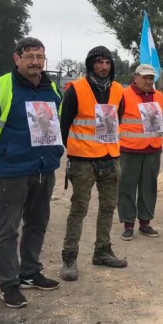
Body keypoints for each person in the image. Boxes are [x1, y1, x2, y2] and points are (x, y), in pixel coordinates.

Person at [0, 37, 64, 308]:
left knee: (37, 223)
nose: (35, 62)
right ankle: (9, 284)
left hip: (43, 169)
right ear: (17, 59)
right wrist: (0, 158)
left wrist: (53, 155)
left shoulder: (52, 90)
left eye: (40, 56)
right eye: (29, 56)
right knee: (8, 228)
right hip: (12, 171)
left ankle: (30, 272)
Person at [59, 45, 128, 282]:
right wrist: (74, 151)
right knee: (79, 208)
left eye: (107, 62)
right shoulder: (75, 89)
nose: (104, 67)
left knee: (108, 206)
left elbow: (118, 120)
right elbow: (64, 124)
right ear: (90, 65)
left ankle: (102, 250)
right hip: (82, 160)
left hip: (110, 158)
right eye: (99, 62)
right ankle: (69, 257)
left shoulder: (119, 90)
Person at [117, 64, 163, 240]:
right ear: (135, 77)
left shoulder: (159, 96)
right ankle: (128, 224)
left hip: (153, 148)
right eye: (144, 77)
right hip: (130, 149)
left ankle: (145, 222)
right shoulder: (123, 94)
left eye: (151, 78)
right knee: (127, 186)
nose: (148, 81)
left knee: (149, 187)